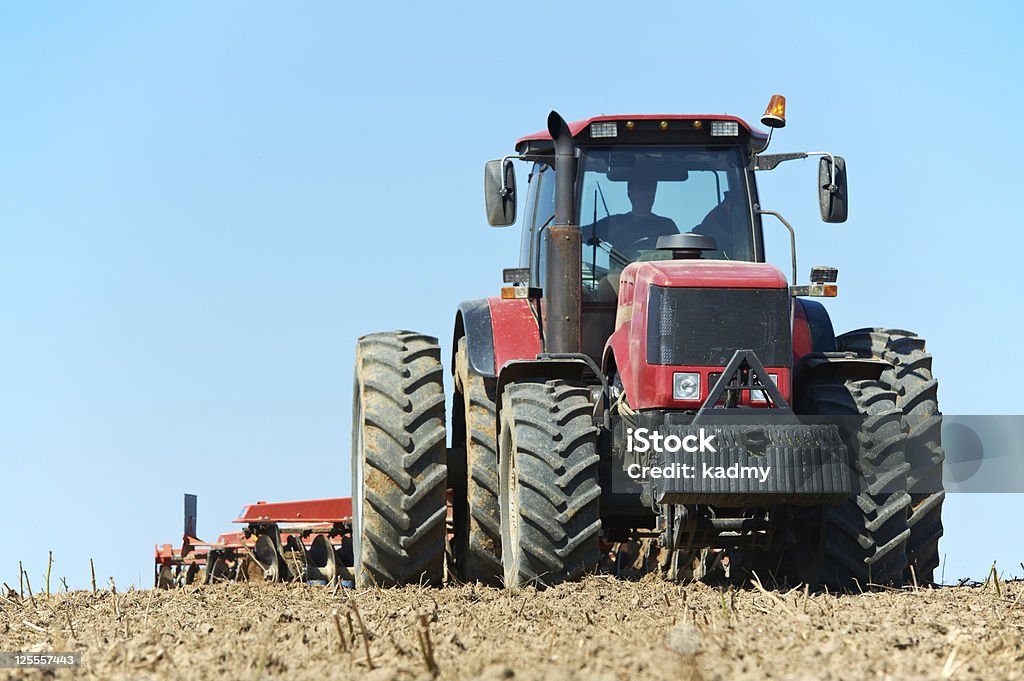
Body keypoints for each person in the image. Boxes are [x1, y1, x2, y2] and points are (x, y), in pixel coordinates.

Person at [584, 177, 679, 263]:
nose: (646, 194)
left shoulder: (667, 226)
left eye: (650, 189)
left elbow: (680, 256)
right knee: (604, 283)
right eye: (641, 189)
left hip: (661, 278)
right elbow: (576, 235)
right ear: (630, 193)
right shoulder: (614, 223)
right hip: (618, 278)